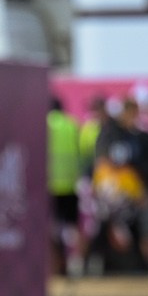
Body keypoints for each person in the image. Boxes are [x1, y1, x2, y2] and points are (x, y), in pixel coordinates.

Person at [97, 97, 148, 274]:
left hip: (144, 194)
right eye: (127, 112)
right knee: (122, 238)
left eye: (133, 112)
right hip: (120, 198)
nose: (131, 116)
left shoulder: (143, 138)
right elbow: (105, 164)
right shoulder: (112, 134)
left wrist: (141, 183)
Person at [47, 96, 83, 275]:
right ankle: (75, 263)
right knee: (70, 227)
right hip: (70, 184)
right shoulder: (72, 124)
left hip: (50, 184)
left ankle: (56, 265)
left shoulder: (44, 124)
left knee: (52, 228)